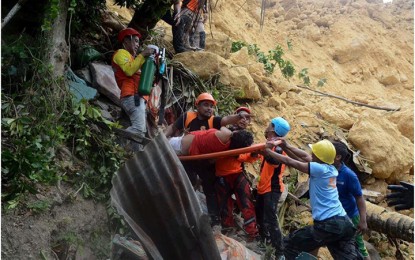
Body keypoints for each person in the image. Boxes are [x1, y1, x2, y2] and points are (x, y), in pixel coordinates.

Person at [265, 139, 362, 260]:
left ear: (319, 157)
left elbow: (290, 161)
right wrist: (286, 146)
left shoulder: (319, 169)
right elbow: (303, 155)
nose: (311, 154)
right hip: (345, 223)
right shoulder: (330, 168)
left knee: (289, 244)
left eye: (314, 153)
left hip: (329, 225)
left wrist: (268, 151)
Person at [164, 93, 251, 226]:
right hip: (188, 158)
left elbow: (226, 119)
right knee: (185, 184)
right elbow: (173, 128)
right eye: (205, 105)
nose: (209, 108)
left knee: (210, 189)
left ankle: (214, 220)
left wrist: (238, 116)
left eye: (211, 106)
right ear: (197, 105)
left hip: (206, 163)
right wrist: (163, 138)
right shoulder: (188, 116)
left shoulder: (214, 120)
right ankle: (180, 214)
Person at [214, 107, 260, 240]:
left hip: (237, 173)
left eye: (247, 118)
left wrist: (251, 154)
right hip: (222, 174)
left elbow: (250, 157)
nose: (244, 120)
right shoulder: (224, 132)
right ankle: (228, 230)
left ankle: (252, 233)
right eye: (242, 116)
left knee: (246, 202)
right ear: (235, 116)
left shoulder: (247, 138)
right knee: (224, 204)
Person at [255, 117, 291, 259]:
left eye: (269, 124)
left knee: (271, 219)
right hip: (263, 187)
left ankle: (280, 252)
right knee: (259, 215)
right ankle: (264, 242)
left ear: (274, 128)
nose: (267, 126)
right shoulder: (271, 144)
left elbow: (274, 161)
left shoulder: (278, 146)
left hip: (272, 188)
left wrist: (265, 150)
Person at [111, 28, 154, 140]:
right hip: (131, 96)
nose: (137, 45)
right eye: (135, 41)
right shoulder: (120, 53)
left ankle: (135, 155)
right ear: (126, 41)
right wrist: (143, 54)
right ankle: (112, 143)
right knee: (139, 129)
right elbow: (129, 70)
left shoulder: (134, 59)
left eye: (138, 42)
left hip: (137, 97)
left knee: (140, 132)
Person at [332, 141, 370, 259]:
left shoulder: (349, 175)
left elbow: (359, 197)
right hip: (334, 215)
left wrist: (362, 221)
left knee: (359, 246)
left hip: (350, 215)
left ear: (338, 157)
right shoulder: (325, 168)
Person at [169, 126, 253, 156]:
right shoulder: (228, 147)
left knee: (162, 147)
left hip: (180, 144)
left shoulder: (227, 135)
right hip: (188, 149)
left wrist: (232, 131)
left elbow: (222, 127)